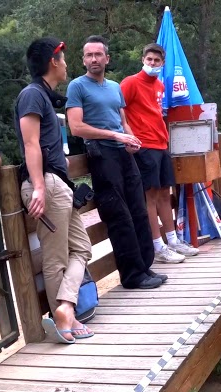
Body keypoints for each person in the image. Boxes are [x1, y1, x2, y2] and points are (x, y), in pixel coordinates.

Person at [67, 34, 169, 289]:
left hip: (124, 153)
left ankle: (145, 267)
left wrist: (130, 139)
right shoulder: (77, 87)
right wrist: (114, 135)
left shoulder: (114, 87)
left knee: (138, 209)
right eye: (89, 55)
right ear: (83, 60)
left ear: (107, 58)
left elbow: (122, 121)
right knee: (119, 214)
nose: (93, 59)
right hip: (101, 153)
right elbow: (76, 127)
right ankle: (132, 276)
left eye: (98, 54)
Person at [15, 37, 95, 343]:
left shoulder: (43, 96)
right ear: (53, 60)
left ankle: (64, 307)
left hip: (56, 184)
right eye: (64, 58)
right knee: (55, 257)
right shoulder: (32, 95)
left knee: (83, 248)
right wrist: (38, 187)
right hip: (46, 182)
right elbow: (30, 143)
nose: (67, 64)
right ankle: (65, 322)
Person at [120, 42, 197, 262]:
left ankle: (172, 240)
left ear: (162, 63)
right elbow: (119, 109)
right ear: (143, 60)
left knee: (165, 193)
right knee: (150, 196)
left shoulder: (160, 86)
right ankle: (157, 245)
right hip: (144, 146)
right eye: (149, 60)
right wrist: (129, 135)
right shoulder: (130, 83)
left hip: (162, 145)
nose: (152, 64)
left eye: (157, 61)